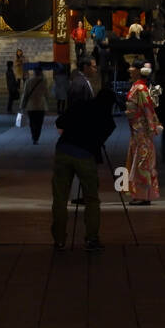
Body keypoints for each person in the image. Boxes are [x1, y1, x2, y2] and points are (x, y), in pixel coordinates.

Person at [51, 82, 117, 252]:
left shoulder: (80, 105)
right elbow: (99, 142)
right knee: (92, 199)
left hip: (64, 151)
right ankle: (91, 238)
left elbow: (60, 122)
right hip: (85, 156)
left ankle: (59, 239)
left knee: (60, 198)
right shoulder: (109, 122)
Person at [125, 63, 162, 203]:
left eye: (132, 67)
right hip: (136, 128)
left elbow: (147, 109)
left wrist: (152, 127)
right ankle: (140, 194)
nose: (129, 69)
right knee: (139, 158)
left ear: (139, 71)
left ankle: (143, 194)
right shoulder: (137, 86)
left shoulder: (140, 88)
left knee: (143, 160)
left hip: (141, 128)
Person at [20, 62, 50, 144]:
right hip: (41, 105)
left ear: (34, 72)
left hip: (31, 106)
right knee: (39, 123)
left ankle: (34, 137)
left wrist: (22, 105)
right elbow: (47, 94)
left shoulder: (29, 81)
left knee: (32, 122)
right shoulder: (44, 81)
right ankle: (36, 137)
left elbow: (25, 94)